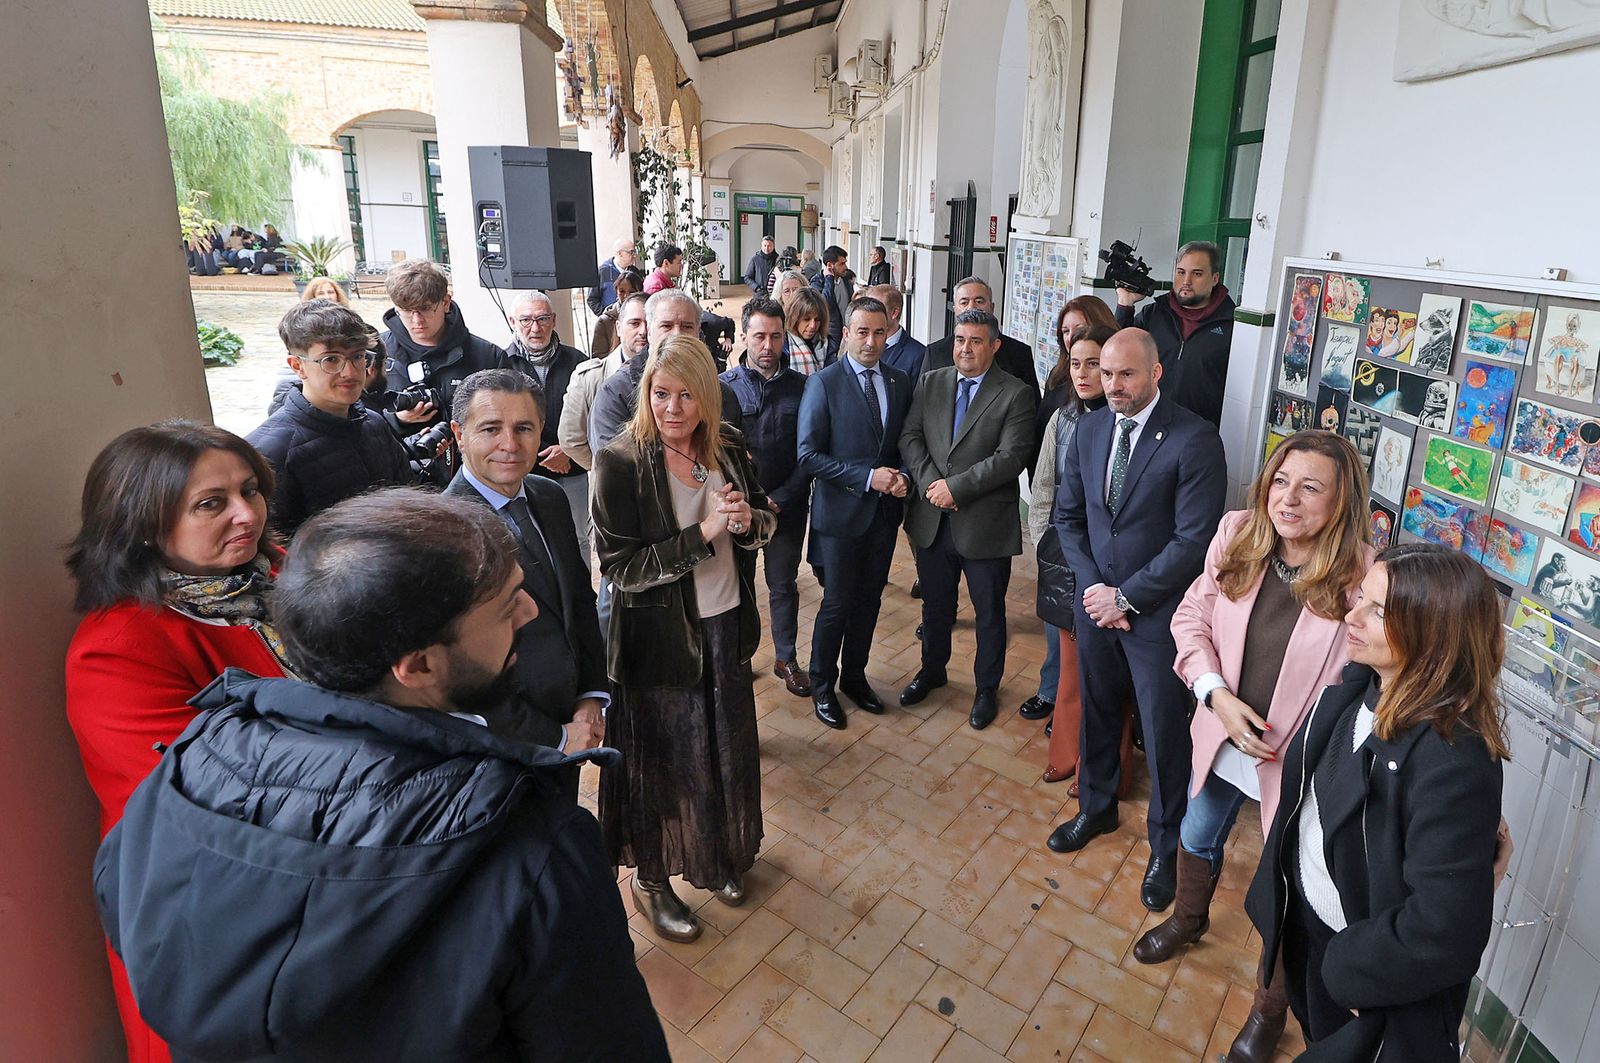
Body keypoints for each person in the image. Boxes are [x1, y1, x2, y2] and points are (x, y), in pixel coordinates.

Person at [94, 491, 670, 1061]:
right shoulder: (531, 844)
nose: (531, 612)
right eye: (506, 606)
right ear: (418, 665)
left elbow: (122, 900)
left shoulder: (192, 759)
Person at [1134, 430, 1375, 1062]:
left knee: (1287, 890)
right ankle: (1189, 919)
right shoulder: (1238, 532)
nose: (1287, 499)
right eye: (1281, 480)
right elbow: (1191, 618)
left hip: (1296, 767)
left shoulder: (1362, 581)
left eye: (1311, 487)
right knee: (1194, 832)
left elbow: (1362, 688)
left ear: (1343, 503)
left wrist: (1299, 747)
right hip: (1223, 734)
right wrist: (1214, 693)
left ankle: (1269, 1009)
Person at [65, 421, 289, 1063]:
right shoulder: (121, 647)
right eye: (211, 503)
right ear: (142, 522)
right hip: (209, 919)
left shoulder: (279, 576)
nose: (246, 514)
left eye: (251, 490)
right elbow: (211, 803)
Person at [1245, 544, 1509, 1062]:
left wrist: (1348, 969)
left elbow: (1444, 927)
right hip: (1309, 926)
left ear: (1432, 631)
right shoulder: (1361, 687)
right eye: (1361, 598)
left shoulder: (1455, 758)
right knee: (1314, 1026)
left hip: (1357, 962)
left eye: (1378, 610)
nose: (1352, 615)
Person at [591, 334, 775, 942]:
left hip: (723, 629)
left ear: (707, 398)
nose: (672, 408)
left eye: (686, 396)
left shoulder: (727, 447)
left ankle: (715, 854)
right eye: (660, 394)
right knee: (663, 766)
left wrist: (749, 523)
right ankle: (653, 879)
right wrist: (702, 532)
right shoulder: (619, 461)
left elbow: (761, 520)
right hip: (659, 643)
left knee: (722, 751)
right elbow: (621, 570)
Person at [1047, 328, 1228, 915]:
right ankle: (1096, 809)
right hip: (1095, 604)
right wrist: (1097, 589)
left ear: (1155, 374)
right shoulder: (1091, 427)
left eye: (1125, 375)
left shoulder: (1194, 440)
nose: (1113, 385)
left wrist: (1127, 597)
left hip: (1157, 617)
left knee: (1164, 731)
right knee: (1098, 711)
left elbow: (1193, 540)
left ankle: (1165, 847)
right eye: (1105, 373)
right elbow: (1069, 517)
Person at [445, 369, 607, 775]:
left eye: (524, 428)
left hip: (571, 719)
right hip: (504, 749)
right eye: (490, 429)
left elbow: (578, 600)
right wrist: (555, 737)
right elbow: (457, 672)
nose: (509, 445)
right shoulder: (443, 532)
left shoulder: (549, 495)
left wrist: (590, 695)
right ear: (459, 434)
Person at [898, 309, 1035, 729]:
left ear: (995, 346)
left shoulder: (1015, 393)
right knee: (936, 607)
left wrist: (956, 488)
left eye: (976, 341)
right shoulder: (931, 381)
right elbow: (911, 436)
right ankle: (932, 671)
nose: (965, 349)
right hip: (932, 519)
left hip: (984, 524)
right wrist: (931, 485)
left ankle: (985, 688)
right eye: (960, 339)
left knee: (989, 612)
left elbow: (1011, 457)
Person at [798, 296, 913, 729]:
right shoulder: (824, 383)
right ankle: (823, 684)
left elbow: (903, 443)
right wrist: (868, 477)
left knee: (869, 602)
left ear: (888, 334)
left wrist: (901, 476)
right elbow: (808, 455)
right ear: (845, 334)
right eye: (861, 332)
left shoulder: (900, 382)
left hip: (883, 519)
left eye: (878, 332)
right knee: (837, 604)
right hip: (841, 518)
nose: (870, 341)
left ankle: (855, 678)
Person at [1019, 299, 1120, 724]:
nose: (1082, 373)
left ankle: (1101, 712)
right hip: (1062, 541)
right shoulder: (1063, 417)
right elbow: (1043, 484)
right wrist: (1044, 537)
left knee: (1103, 635)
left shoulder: (1123, 419)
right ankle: (1052, 692)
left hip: (1111, 549)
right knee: (1058, 624)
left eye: (1093, 364)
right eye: (1075, 363)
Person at [247, 301, 410, 537]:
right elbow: (275, 550)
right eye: (331, 360)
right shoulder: (269, 452)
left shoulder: (374, 424)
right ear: (297, 366)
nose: (350, 372)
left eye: (357, 356)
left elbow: (407, 501)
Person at [721, 298, 811, 697]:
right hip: (737, 510)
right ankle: (738, 659)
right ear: (744, 336)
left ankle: (786, 658)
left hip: (786, 508)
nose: (768, 345)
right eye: (759, 335)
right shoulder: (724, 389)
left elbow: (809, 453)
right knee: (736, 587)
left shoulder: (804, 389)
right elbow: (715, 455)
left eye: (776, 336)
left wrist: (780, 498)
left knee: (783, 584)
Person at [502, 291, 592, 566]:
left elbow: (593, 415)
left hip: (572, 469)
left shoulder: (578, 361)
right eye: (526, 320)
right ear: (512, 322)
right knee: (527, 541)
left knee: (578, 537)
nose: (535, 328)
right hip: (523, 470)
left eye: (542, 318)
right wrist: (541, 454)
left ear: (554, 320)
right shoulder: (502, 364)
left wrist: (568, 450)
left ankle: (582, 601)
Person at [1114, 240, 1236, 427]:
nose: (1186, 281)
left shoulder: (1232, 325)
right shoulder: (1152, 315)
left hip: (1199, 433)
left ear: (1214, 278)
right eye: (1181, 272)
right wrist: (1125, 304)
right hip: (1147, 427)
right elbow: (1117, 356)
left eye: (1197, 274)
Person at [378, 258, 506, 434]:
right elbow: (357, 417)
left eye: (425, 308)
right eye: (407, 311)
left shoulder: (489, 356)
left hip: (467, 457)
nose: (417, 320)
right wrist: (397, 419)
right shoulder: (375, 354)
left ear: (445, 302)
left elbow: (507, 417)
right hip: (398, 458)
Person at [561, 291, 648, 472]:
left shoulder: (673, 375)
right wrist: (606, 470)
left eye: (649, 323)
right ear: (618, 327)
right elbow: (571, 440)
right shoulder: (588, 377)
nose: (643, 331)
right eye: (634, 323)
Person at [921, 277, 1040, 393]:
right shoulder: (935, 353)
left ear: (992, 307)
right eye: (964, 302)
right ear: (954, 309)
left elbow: (1032, 405)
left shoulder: (1019, 353)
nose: (971, 307)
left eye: (979, 301)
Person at [867, 283, 927, 385]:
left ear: (894, 313)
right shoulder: (859, 342)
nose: (867, 314)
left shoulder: (919, 354)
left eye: (875, 309)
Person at [590, 267, 643, 356]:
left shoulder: (649, 317)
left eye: (632, 292)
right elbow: (597, 357)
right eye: (622, 291)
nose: (626, 295)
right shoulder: (604, 321)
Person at [810, 245, 854, 348]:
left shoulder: (845, 279)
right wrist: (829, 278)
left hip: (847, 333)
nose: (846, 267)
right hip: (830, 335)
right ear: (830, 265)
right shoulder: (817, 281)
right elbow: (824, 304)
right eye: (842, 264)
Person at [784, 286, 834, 376]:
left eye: (817, 319)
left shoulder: (827, 343)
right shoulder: (783, 345)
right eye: (806, 319)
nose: (812, 325)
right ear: (794, 318)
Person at [588, 235, 639, 314]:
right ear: (620, 253)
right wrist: (605, 315)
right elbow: (592, 299)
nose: (634, 256)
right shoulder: (602, 271)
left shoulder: (634, 272)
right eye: (631, 252)